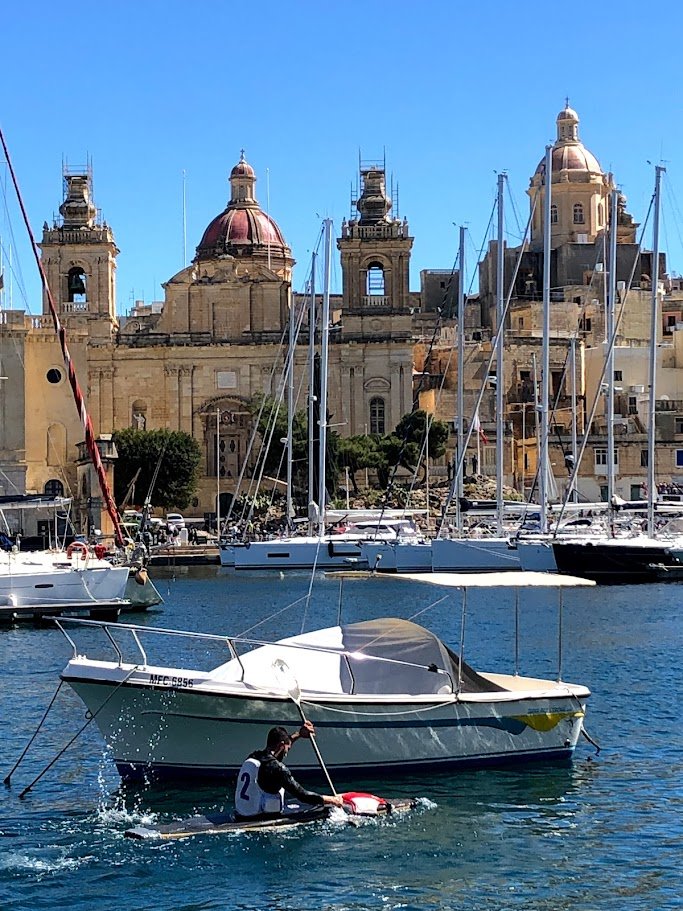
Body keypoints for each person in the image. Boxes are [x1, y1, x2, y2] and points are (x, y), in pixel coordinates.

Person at [234, 722, 344, 819]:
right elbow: (303, 795)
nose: (286, 753)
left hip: (241, 814)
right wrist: (333, 800)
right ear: (281, 746)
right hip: (261, 817)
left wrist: (299, 734)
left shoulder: (254, 756)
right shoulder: (278, 769)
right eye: (287, 749)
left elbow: (285, 743)